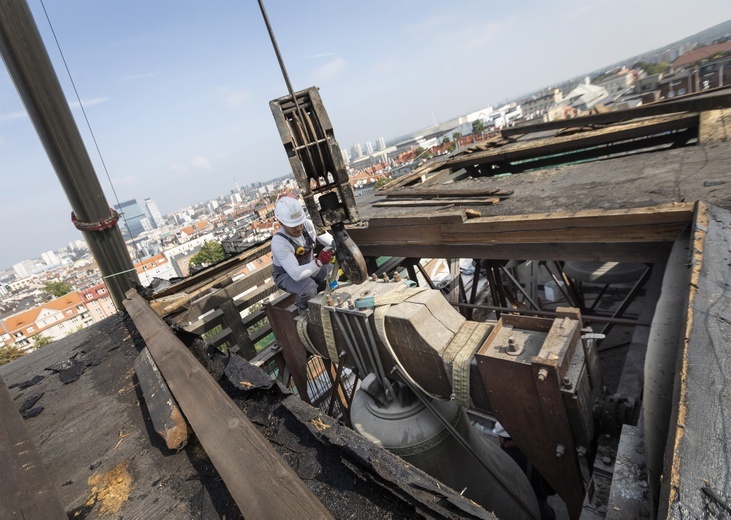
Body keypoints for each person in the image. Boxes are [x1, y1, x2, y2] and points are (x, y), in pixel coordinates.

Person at [271, 197, 335, 312]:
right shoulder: (279, 243)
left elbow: (329, 240)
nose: (299, 228)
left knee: (331, 272)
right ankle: (305, 310)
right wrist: (319, 261)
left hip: (309, 266)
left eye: (300, 223)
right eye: (293, 226)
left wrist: (338, 244)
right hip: (287, 275)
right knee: (308, 288)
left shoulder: (308, 225)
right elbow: (296, 274)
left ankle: (323, 300)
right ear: (281, 223)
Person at [493, 422, 556, 520]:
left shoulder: (497, 459)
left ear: (502, 438)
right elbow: (551, 490)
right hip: (541, 512)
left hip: (513, 512)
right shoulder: (538, 456)